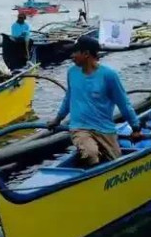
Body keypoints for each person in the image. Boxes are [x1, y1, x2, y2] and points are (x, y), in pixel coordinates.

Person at [47, 36, 142, 167]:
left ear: (86, 54)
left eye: (75, 52)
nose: (72, 56)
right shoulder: (72, 73)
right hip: (80, 128)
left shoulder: (109, 75)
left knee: (115, 161)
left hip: (104, 128)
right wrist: (57, 119)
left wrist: (135, 128)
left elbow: (123, 104)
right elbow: (68, 98)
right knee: (90, 154)